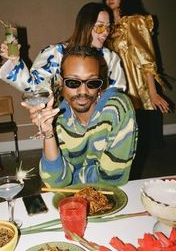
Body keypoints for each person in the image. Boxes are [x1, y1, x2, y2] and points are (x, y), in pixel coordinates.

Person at [22, 46, 138, 187]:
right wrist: (48, 134)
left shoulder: (117, 109)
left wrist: (73, 177)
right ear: (60, 82)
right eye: (73, 82)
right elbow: (55, 182)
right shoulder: (57, 115)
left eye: (92, 82)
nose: (83, 91)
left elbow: (112, 178)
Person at [102, 0, 170, 178]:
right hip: (114, 84)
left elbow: (146, 57)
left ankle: (130, 178)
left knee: (133, 135)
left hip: (134, 86)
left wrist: (153, 92)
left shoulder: (135, 21)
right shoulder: (107, 27)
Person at [0, 2, 126, 96]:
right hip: (63, 123)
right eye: (100, 27)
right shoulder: (57, 53)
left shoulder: (110, 58)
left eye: (108, 27)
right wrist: (15, 60)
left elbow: (118, 94)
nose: (105, 33)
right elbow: (34, 88)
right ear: (85, 26)